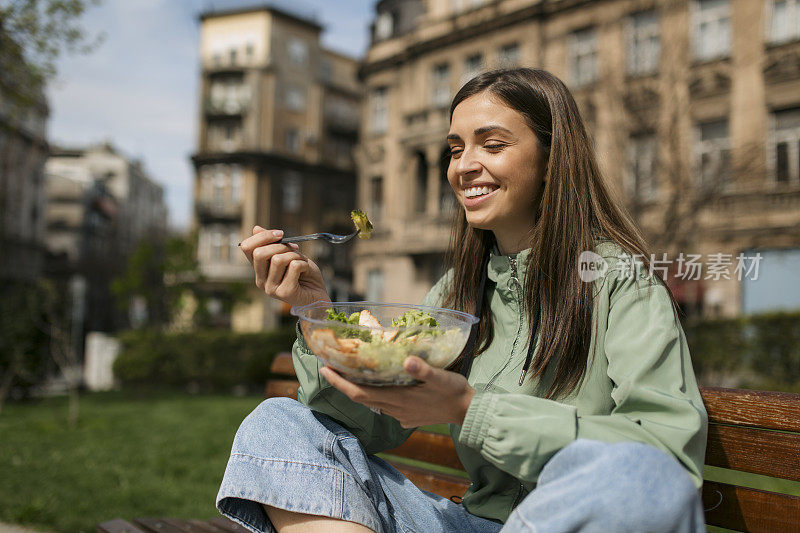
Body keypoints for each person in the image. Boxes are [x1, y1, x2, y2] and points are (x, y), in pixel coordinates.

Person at [216, 68, 708, 533]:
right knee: (279, 424)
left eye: (491, 145)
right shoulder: (456, 293)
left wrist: (472, 409)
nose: (464, 166)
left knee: (647, 473)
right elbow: (373, 425)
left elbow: (665, 453)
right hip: (468, 523)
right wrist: (318, 315)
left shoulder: (621, 281)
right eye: (456, 149)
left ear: (553, 157)